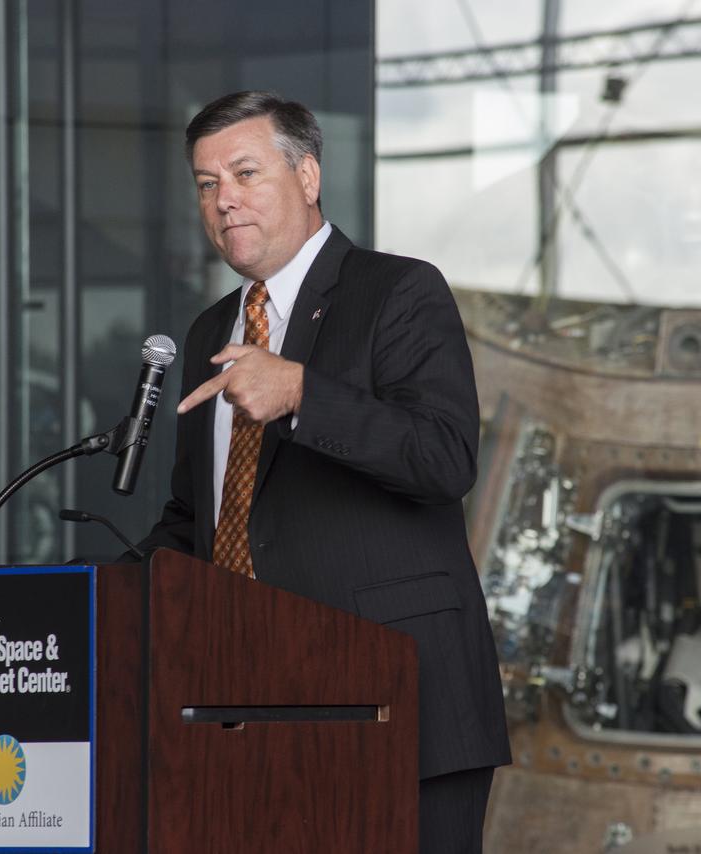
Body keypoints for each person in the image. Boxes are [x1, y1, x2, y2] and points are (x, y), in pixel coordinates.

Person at [136, 91, 511, 854]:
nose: (224, 200)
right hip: (254, 704)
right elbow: (199, 519)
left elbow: (444, 459)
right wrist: (98, 595)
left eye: (244, 173)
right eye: (206, 185)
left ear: (307, 176)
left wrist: (303, 392)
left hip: (401, 705)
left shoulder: (398, 291)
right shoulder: (211, 329)